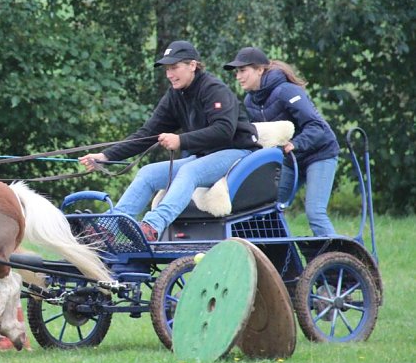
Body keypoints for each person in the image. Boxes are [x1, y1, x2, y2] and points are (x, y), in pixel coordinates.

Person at [79, 40, 260, 241]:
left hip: (238, 154)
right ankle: (108, 227)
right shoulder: (175, 95)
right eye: (167, 69)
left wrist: (180, 140)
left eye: (174, 67)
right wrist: (106, 156)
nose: (169, 74)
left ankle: (152, 226)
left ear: (193, 65)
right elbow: (147, 133)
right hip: (205, 156)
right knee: (147, 173)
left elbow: (223, 131)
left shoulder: (214, 89)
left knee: (189, 171)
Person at [224, 47, 340, 236]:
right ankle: (282, 261)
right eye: (237, 72)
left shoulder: (286, 91)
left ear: (259, 70)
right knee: (270, 210)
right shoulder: (249, 101)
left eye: (243, 70)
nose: (238, 76)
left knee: (315, 213)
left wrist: (296, 143)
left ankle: (342, 261)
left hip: (319, 154)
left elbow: (317, 126)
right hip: (290, 160)